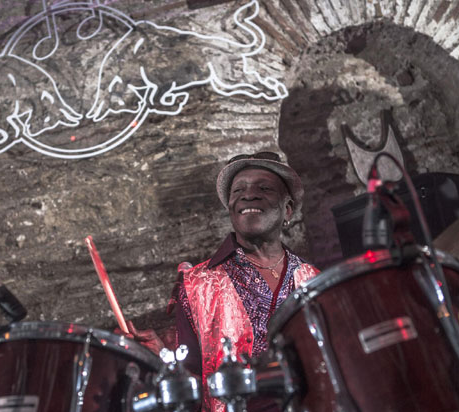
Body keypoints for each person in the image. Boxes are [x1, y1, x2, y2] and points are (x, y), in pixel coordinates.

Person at [128, 151, 319, 412]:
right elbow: (191, 379)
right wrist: (161, 360)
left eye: (264, 188)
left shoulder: (314, 280)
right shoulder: (196, 284)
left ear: (287, 209)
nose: (248, 194)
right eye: (238, 189)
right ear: (231, 208)